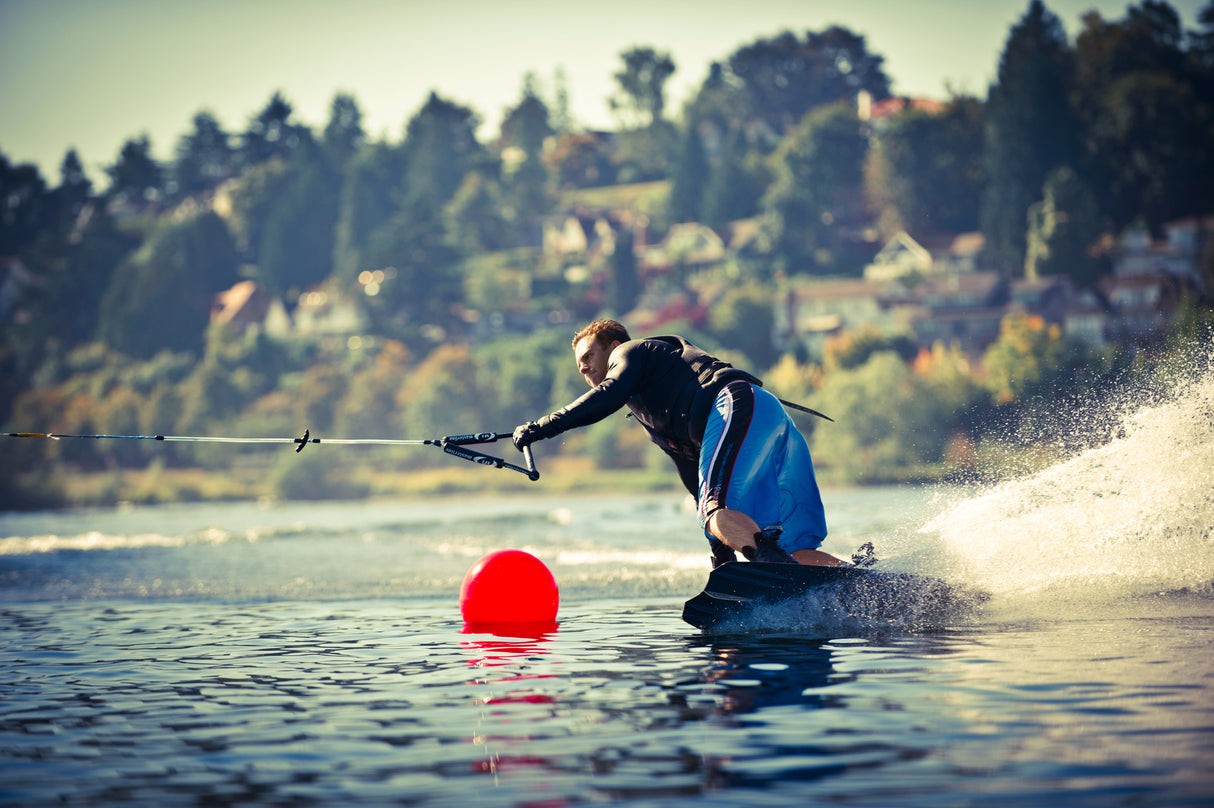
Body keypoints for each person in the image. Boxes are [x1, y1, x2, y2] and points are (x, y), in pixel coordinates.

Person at [512, 319, 846, 567]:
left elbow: (606, 396)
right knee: (788, 542)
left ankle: (774, 566)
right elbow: (697, 480)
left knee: (716, 513)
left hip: (735, 404)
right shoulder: (649, 413)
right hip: (762, 414)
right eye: (579, 365)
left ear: (612, 346)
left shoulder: (631, 351)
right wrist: (723, 557)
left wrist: (540, 427)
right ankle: (859, 581)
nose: (583, 368)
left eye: (587, 356)